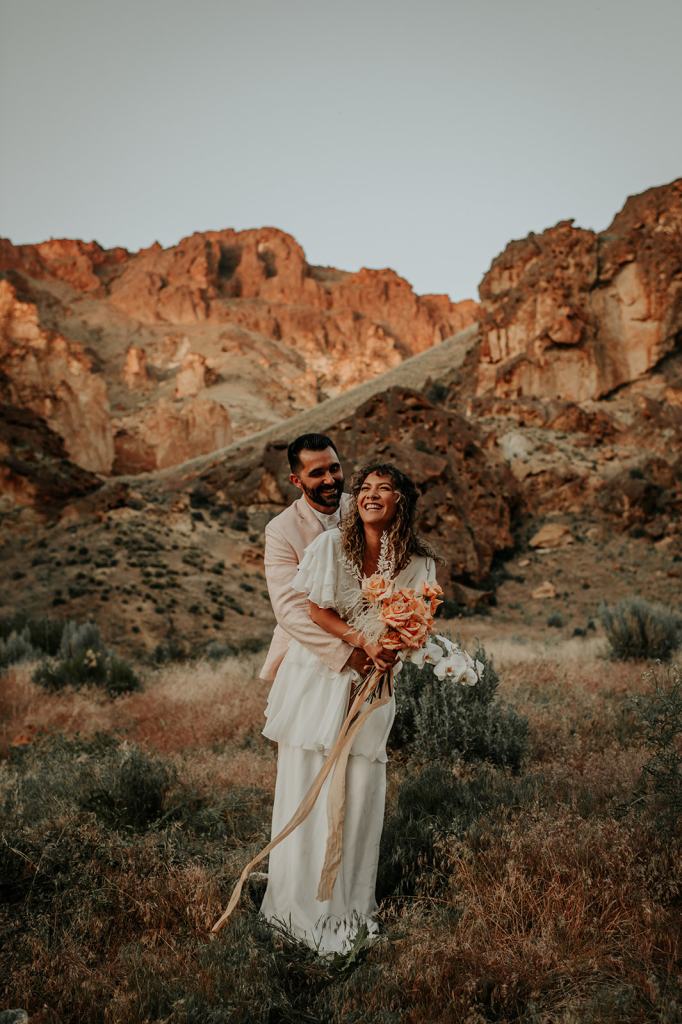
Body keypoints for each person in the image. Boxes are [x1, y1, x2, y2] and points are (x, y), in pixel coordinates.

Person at [259, 459, 438, 955]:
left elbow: (418, 624)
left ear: (403, 501)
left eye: (385, 488)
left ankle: (349, 908)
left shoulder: (420, 563)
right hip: (321, 677)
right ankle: (297, 911)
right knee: (309, 786)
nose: (371, 494)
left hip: (375, 684)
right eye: (365, 487)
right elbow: (313, 609)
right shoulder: (330, 545)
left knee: (360, 789)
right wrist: (360, 642)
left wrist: (392, 649)